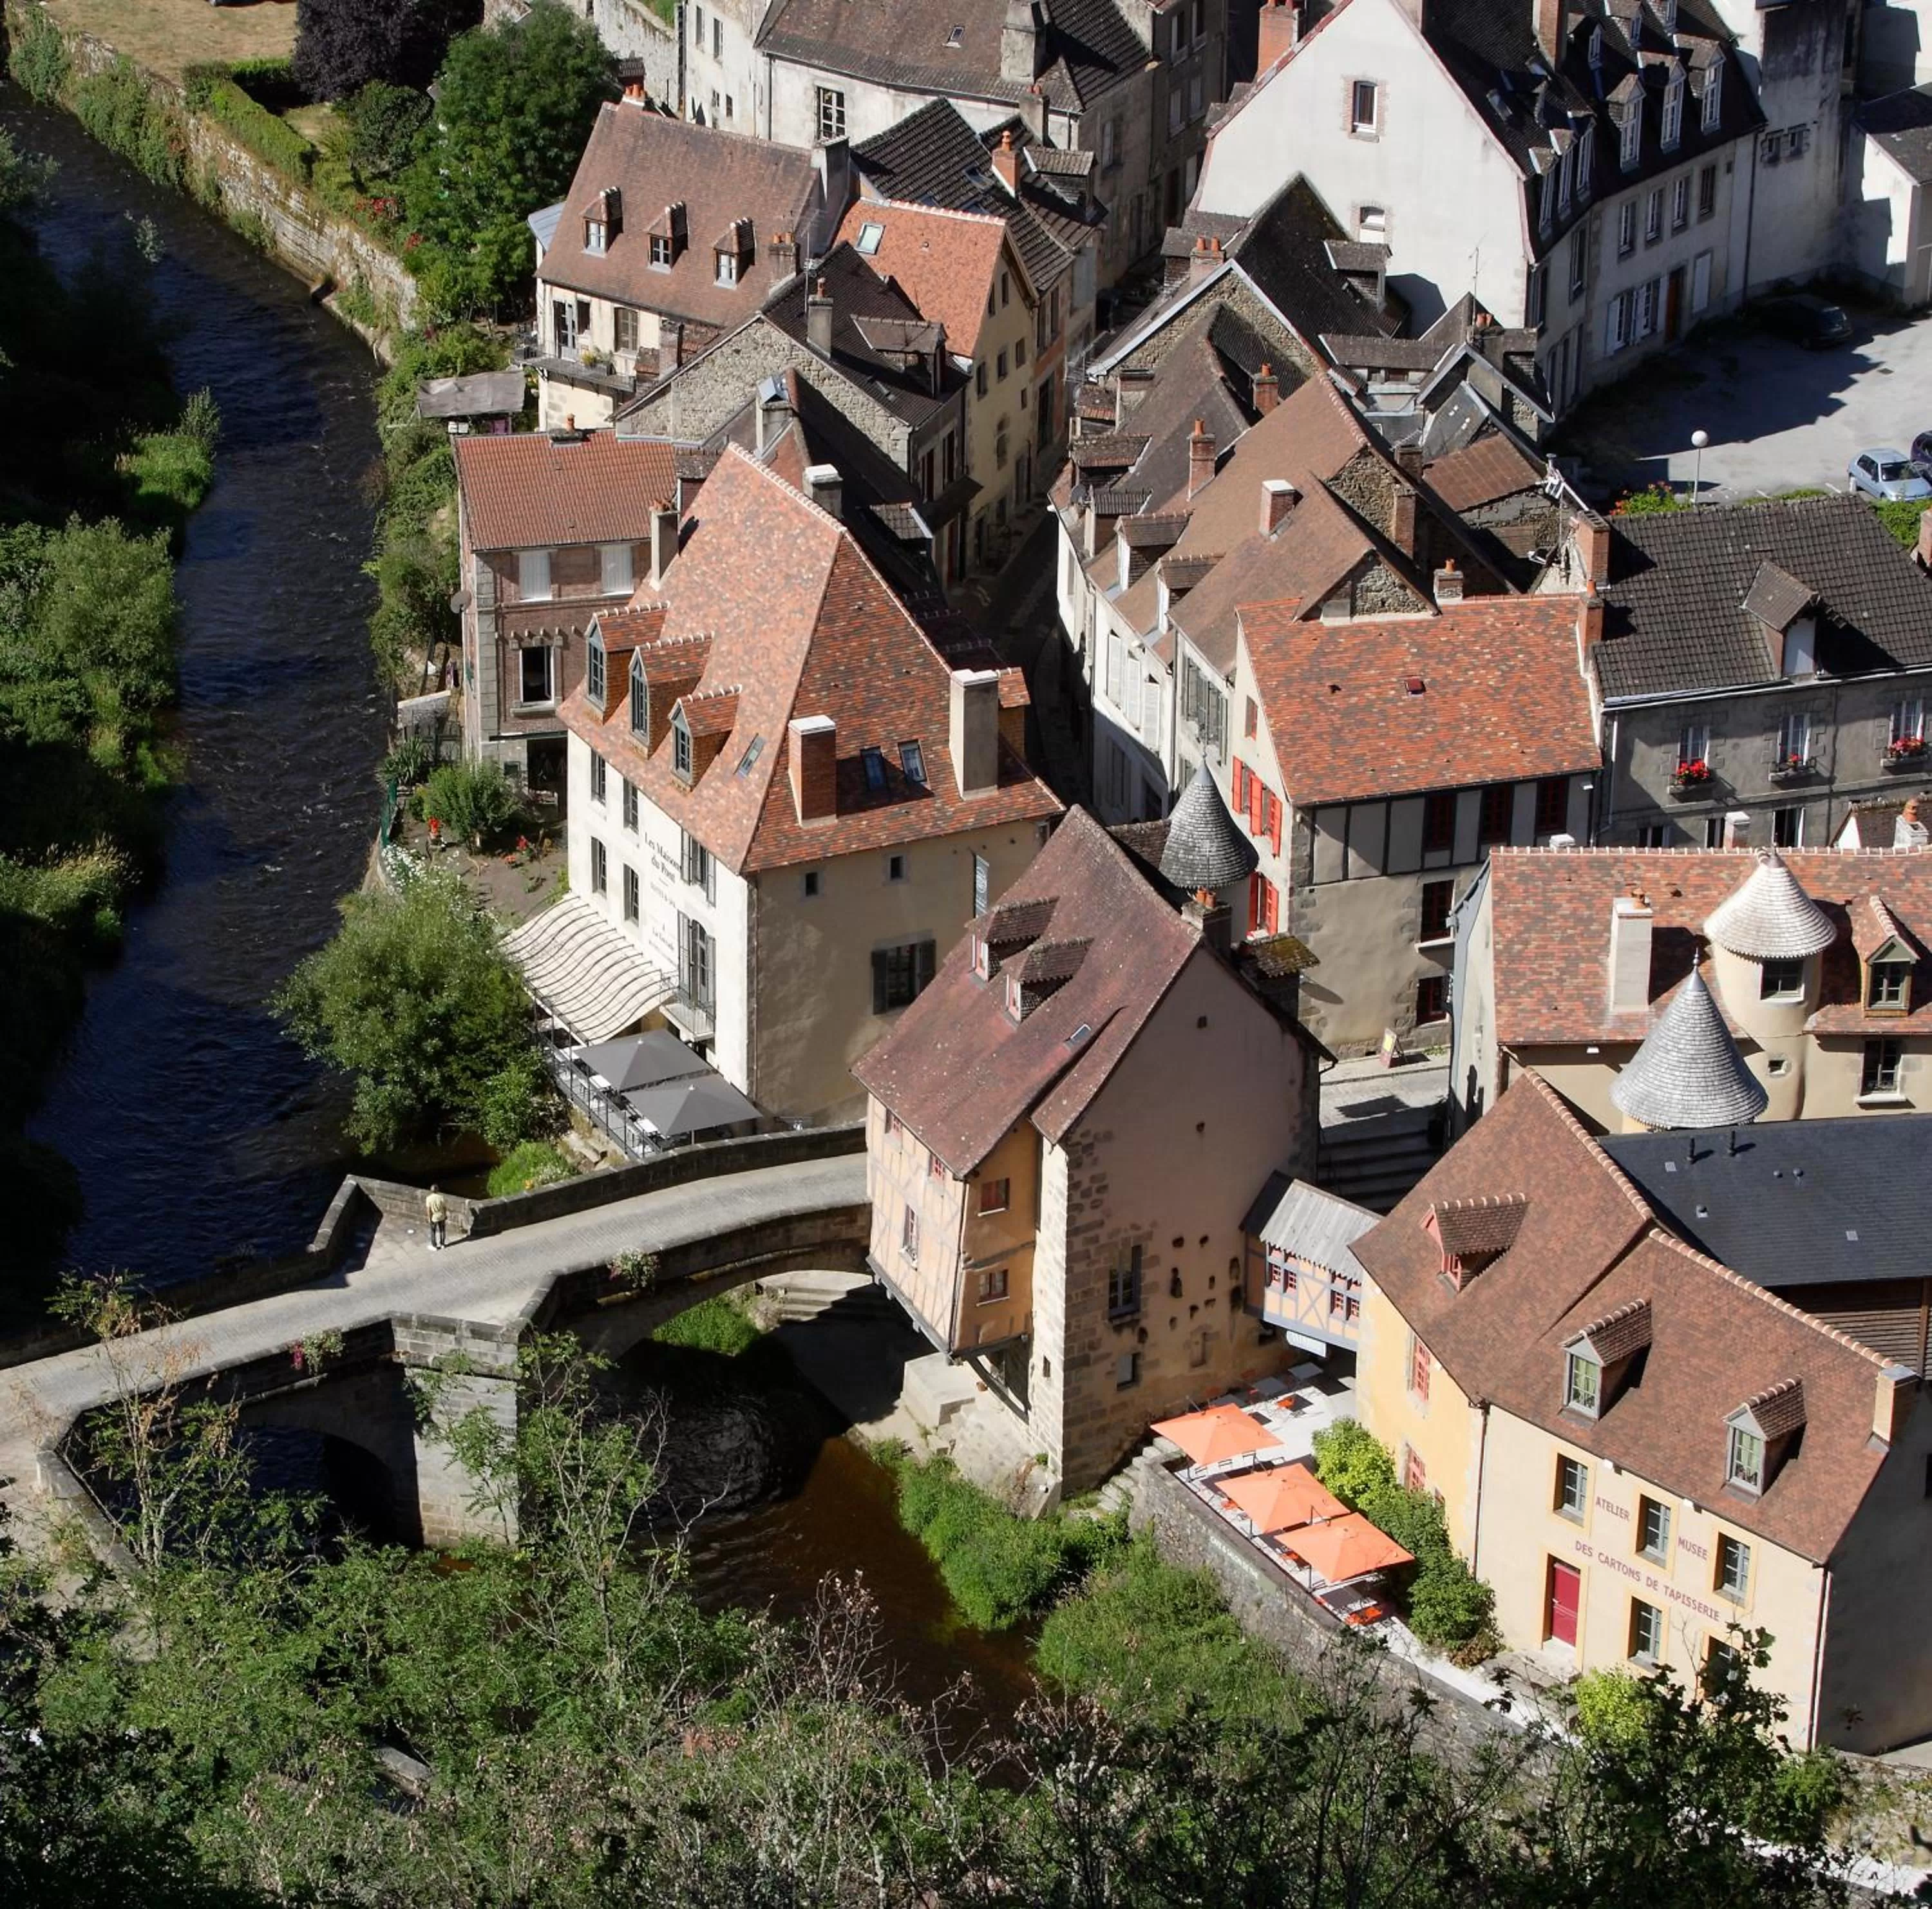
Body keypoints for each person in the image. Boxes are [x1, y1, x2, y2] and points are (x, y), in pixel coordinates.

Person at [426, 1184, 450, 1251]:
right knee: (442, 1230)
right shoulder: (441, 1197)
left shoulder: (429, 1198)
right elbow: (445, 1208)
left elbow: (429, 1210)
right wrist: (445, 1215)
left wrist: (429, 1218)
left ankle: (434, 1246)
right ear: (438, 1190)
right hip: (441, 1216)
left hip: (434, 1217)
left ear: (431, 1190)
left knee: (433, 1231)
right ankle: (442, 1244)